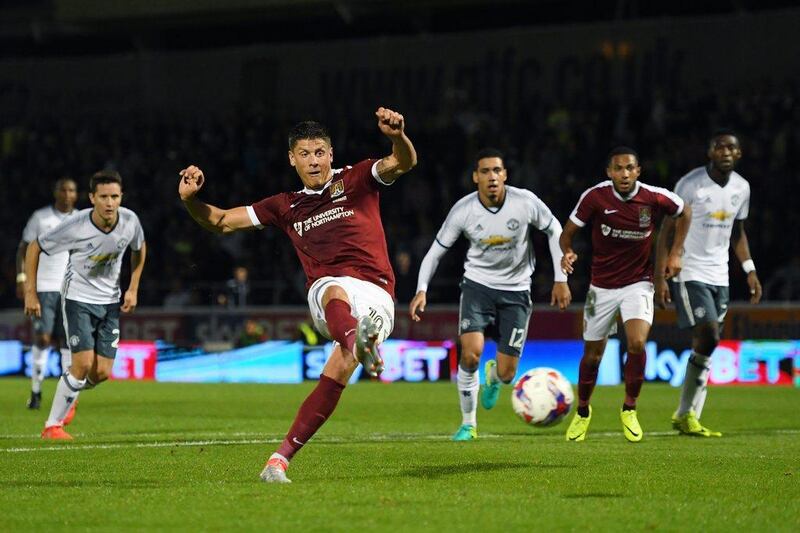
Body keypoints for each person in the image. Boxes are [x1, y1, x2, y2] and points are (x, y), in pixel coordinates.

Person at [178, 107, 416, 483]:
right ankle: (358, 341)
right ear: (292, 159)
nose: (313, 160)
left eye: (319, 152)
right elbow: (221, 221)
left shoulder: (357, 178)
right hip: (329, 293)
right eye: (304, 154)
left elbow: (403, 162)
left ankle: (278, 462)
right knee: (331, 288)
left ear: (331, 154)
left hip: (377, 294)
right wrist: (191, 200)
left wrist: (397, 136)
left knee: (338, 367)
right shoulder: (285, 206)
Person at [409, 148, 571, 441]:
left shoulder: (525, 202)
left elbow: (555, 229)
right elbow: (435, 253)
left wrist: (561, 278)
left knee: (509, 374)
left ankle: (495, 376)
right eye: (485, 171)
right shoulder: (464, 210)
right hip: (477, 287)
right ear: (476, 177)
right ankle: (468, 424)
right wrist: (422, 290)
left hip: (517, 290)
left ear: (505, 175)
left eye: (497, 170)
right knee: (470, 354)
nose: (492, 177)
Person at [560, 146, 690, 443]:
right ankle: (582, 412)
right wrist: (567, 252)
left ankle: (629, 408)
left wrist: (675, 253)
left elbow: (685, 212)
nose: (624, 173)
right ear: (609, 172)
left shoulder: (655, 197)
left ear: (638, 171)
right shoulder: (595, 197)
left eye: (630, 168)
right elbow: (567, 234)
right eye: (618, 168)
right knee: (592, 357)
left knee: (637, 342)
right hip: (600, 287)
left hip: (638, 283)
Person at [24, 170, 146, 440]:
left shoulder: (130, 220)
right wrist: (30, 293)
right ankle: (52, 426)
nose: (110, 203)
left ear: (121, 197)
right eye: (103, 197)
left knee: (101, 373)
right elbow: (34, 247)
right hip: (77, 298)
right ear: (92, 198)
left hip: (110, 301)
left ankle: (71, 390)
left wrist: (133, 288)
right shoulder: (76, 225)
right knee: (80, 364)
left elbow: (140, 248)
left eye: (114, 196)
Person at [655, 129, 761, 437]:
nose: (726, 152)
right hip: (689, 271)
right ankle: (686, 414)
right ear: (710, 152)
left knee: (706, 346)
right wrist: (660, 273)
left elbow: (737, 232)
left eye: (732, 148)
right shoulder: (690, 184)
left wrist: (750, 269)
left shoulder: (742, 188)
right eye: (720, 147)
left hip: (721, 275)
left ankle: (687, 416)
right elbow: (666, 230)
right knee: (709, 336)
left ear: (738, 154)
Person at [16, 178, 78, 409]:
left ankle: (64, 397)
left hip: (71, 290)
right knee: (42, 338)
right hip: (43, 287)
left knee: (66, 342)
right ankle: (36, 390)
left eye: (71, 190)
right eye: (63, 189)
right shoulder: (40, 218)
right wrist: (22, 279)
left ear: (76, 194)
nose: (67, 193)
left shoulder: (81, 218)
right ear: (56, 192)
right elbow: (23, 248)